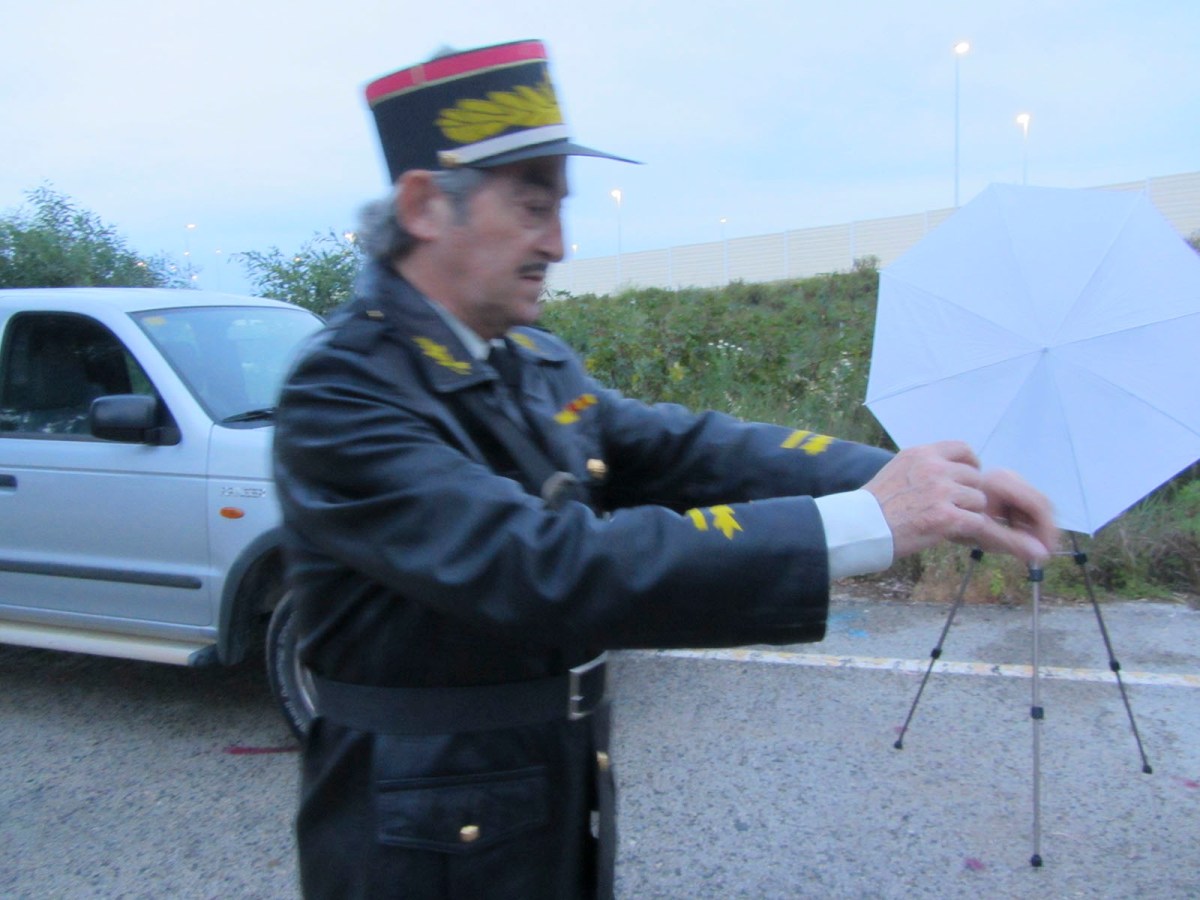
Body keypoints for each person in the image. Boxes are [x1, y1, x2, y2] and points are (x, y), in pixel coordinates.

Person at [272, 39, 1057, 900]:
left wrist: (921, 481)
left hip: (539, 797)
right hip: (419, 842)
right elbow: (547, 565)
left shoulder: (528, 357)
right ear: (426, 206)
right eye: (533, 206)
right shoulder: (342, 392)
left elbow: (692, 447)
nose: (559, 243)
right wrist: (870, 518)